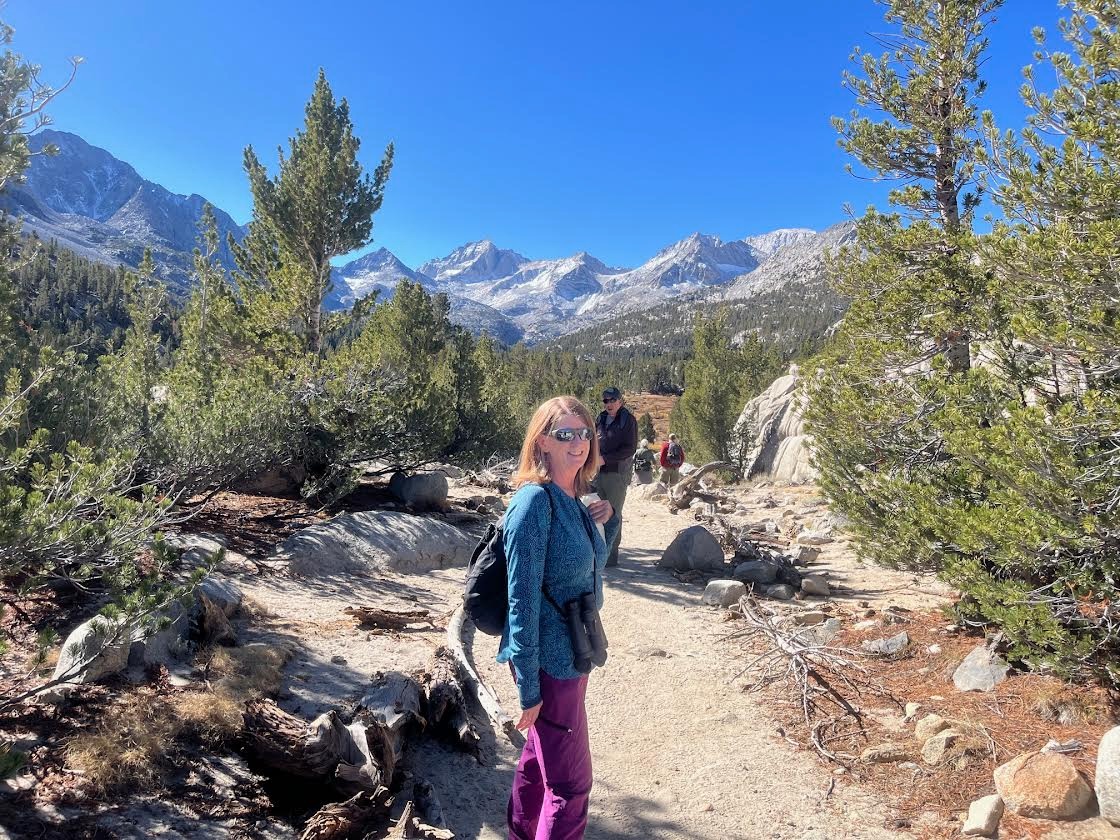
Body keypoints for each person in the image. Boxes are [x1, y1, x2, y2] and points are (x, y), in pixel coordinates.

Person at [498, 396, 619, 840]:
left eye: (584, 431)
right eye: (564, 434)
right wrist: (528, 687)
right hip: (549, 661)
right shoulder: (533, 503)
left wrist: (607, 521)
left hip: (574, 649)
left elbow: (590, 568)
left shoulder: (575, 497)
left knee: (538, 759)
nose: (578, 442)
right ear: (542, 442)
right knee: (572, 785)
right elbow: (521, 601)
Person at [593, 386, 638, 567]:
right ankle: (597, 552)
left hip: (617, 474)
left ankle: (610, 557)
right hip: (598, 473)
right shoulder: (601, 418)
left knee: (613, 514)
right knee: (595, 512)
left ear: (620, 401)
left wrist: (605, 459)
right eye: (606, 400)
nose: (609, 404)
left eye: (613, 400)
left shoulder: (628, 420)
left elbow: (630, 449)